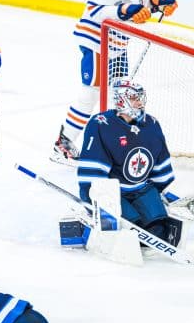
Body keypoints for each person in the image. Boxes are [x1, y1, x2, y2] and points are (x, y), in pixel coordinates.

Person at [52, 0, 177, 163]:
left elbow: (136, 3)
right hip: (96, 41)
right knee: (90, 94)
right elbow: (96, 10)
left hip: (117, 44)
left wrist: (157, 3)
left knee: (122, 94)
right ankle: (63, 144)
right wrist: (125, 11)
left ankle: (118, 145)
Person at [76, 79, 183, 247]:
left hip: (142, 189)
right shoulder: (101, 125)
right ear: (120, 100)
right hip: (114, 193)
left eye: (140, 97)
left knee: (158, 230)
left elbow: (160, 166)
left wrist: (159, 193)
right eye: (134, 98)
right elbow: (92, 172)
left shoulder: (152, 124)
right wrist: (94, 200)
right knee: (130, 233)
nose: (140, 102)